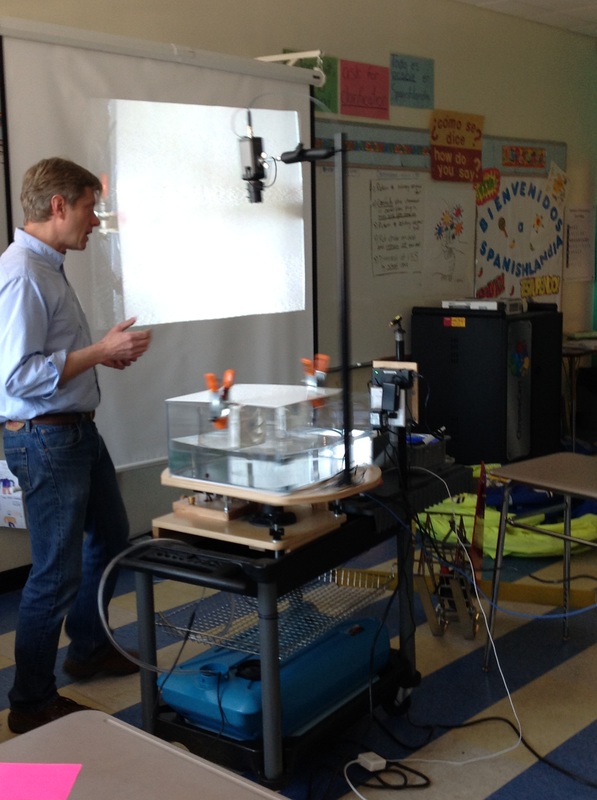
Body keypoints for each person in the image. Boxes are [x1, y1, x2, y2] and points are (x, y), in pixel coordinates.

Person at [0, 157, 152, 733]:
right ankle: (31, 702)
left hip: (74, 432)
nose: (95, 220)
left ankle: (88, 647)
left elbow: (48, 359)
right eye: (90, 207)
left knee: (111, 536)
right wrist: (100, 352)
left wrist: (97, 358)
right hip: (48, 439)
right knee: (55, 574)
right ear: (58, 205)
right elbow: (16, 378)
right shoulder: (23, 274)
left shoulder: (46, 266)